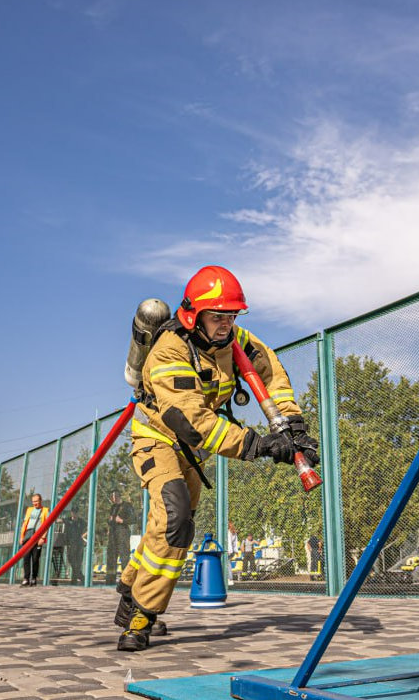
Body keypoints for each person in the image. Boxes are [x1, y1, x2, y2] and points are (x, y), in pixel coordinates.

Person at [113, 265, 319, 651]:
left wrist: (293, 424)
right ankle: (142, 616)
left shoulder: (235, 339)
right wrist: (261, 445)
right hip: (158, 439)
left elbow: (271, 372)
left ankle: (128, 588)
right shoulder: (168, 351)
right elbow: (194, 423)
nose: (227, 324)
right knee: (176, 520)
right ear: (194, 315)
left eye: (232, 315)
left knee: (167, 522)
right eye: (218, 316)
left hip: (193, 453)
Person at [19, 493, 49, 586]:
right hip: (28, 536)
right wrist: (22, 536)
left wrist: (43, 538)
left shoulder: (45, 510)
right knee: (26, 558)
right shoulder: (29, 510)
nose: (34, 503)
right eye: (33, 501)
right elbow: (24, 523)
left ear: (40, 501)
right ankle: (26, 578)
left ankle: (34, 578)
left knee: (35, 558)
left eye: (36, 501)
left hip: (38, 536)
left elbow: (47, 525)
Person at [106, 491, 131, 584]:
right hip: (113, 536)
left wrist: (122, 520)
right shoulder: (113, 507)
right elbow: (110, 520)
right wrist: (110, 521)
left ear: (118, 496)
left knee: (124, 558)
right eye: (111, 497)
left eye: (114, 496)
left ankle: (126, 581)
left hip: (123, 536)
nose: (113, 498)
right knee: (111, 558)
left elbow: (134, 519)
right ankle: (110, 580)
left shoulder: (127, 506)